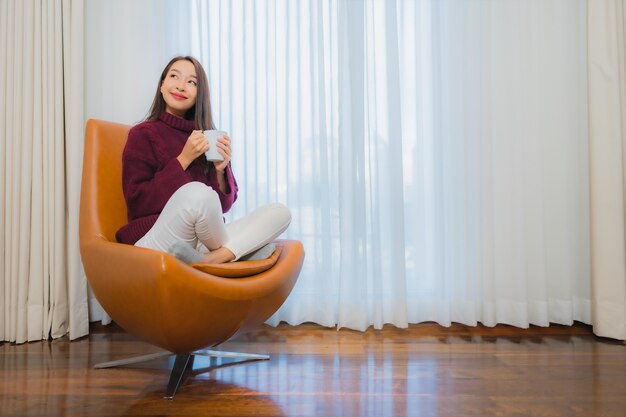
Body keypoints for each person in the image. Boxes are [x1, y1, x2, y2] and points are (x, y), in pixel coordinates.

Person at [115, 55, 291, 264]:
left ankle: (210, 259)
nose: (181, 86)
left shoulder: (208, 137)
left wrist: (220, 170)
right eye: (174, 77)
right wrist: (183, 159)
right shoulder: (142, 134)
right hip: (157, 239)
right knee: (198, 193)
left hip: (200, 244)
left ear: (199, 94)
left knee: (280, 213)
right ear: (162, 85)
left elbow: (222, 207)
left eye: (192, 82)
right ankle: (237, 252)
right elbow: (138, 202)